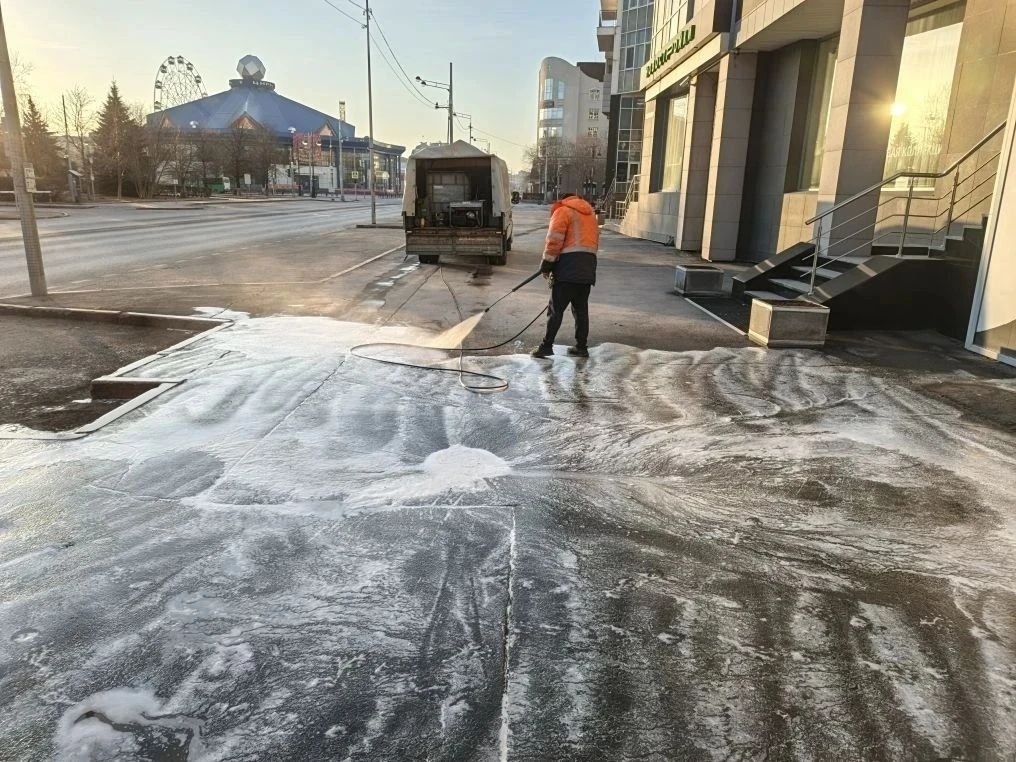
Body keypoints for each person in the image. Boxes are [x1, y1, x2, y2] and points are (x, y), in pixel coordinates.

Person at [532, 193, 599, 359]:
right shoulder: (590, 215)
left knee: (556, 310)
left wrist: (547, 265)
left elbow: (554, 241)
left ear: (563, 200)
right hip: (588, 267)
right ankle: (581, 347)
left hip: (568, 267)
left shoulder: (563, 210)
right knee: (581, 310)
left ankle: (546, 346)